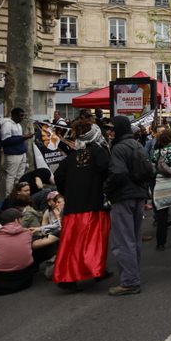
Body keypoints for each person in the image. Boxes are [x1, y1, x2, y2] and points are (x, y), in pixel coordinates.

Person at [52, 119, 112, 293]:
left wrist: (68, 192)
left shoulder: (71, 156)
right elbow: (106, 170)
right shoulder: (99, 152)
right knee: (94, 240)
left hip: (73, 206)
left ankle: (77, 274)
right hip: (94, 204)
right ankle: (88, 272)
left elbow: (59, 177)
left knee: (72, 242)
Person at [103, 116, 149, 296]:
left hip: (124, 197)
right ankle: (132, 277)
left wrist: (105, 188)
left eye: (112, 128)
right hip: (138, 195)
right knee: (134, 238)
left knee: (123, 241)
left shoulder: (119, 147)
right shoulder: (136, 144)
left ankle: (129, 281)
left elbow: (118, 173)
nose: (109, 131)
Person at [0, 208, 56, 296]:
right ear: (16, 220)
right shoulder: (26, 233)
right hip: (26, 279)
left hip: (0, 283)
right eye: (21, 219)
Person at [0, 108, 34, 199]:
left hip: (21, 153)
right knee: (11, 175)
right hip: (13, 154)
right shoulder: (7, 125)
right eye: (20, 116)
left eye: (23, 116)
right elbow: (5, 140)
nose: (22, 118)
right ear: (14, 116)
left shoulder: (18, 125)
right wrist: (23, 137)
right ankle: (9, 196)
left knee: (19, 176)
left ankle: (18, 194)